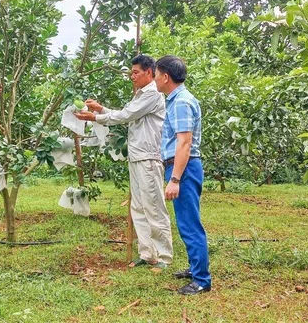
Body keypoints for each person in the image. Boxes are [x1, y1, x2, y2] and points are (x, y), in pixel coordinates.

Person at [75, 55, 173, 269]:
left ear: (149, 72)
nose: (132, 76)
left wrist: (95, 118)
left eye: (136, 72)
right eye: (131, 72)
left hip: (148, 157)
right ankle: (148, 254)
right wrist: (100, 110)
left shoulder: (153, 94)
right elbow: (124, 114)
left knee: (154, 207)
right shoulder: (140, 96)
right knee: (138, 207)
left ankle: (164, 257)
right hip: (137, 156)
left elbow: (125, 115)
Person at [154, 55, 211, 295]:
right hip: (182, 166)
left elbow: (184, 143)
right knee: (186, 221)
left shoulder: (180, 102)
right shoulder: (177, 100)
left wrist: (175, 178)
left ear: (166, 77)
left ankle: (201, 280)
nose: (154, 79)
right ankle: (194, 268)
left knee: (189, 224)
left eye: (156, 74)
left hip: (184, 168)